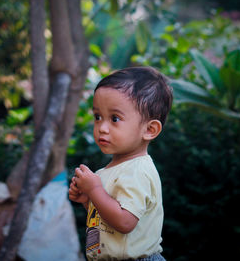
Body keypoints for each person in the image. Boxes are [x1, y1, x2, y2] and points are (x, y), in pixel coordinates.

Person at [68, 66, 173, 261]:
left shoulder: (138, 171)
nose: (102, 128)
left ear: (149, 129)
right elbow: (107, 220)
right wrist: (88, 201)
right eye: (98, 117)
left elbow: (124, 222)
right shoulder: (108, 171)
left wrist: (95, 190)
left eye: (114, 118)